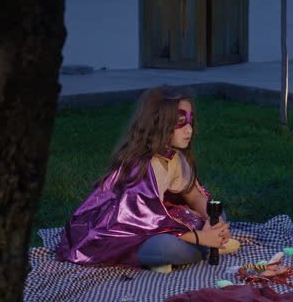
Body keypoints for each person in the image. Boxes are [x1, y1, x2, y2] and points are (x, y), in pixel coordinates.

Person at [56, 86, 230, 273]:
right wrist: (201, 238)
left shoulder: (175, 157)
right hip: (121, 233)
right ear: (158, 124)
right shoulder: (142, 166)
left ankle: (208, 243)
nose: (189, 130)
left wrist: (214, 221)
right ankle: (203, 249)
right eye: (180, 122)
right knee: (166, 248)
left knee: (217, 213)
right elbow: (142, 222)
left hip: (160, 223)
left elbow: (194, 195)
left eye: (191, 122)